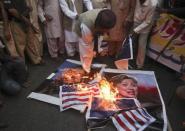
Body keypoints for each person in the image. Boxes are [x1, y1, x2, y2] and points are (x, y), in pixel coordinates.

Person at [1, 0, 43, 65]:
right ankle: (22, 66)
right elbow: (12, 10)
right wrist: (24, 19)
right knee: (20, 46)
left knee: (30, 42)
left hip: (25, 19)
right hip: (17, 22)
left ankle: (37, 60)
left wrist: (27, 9)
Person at [132, 0, 158, 69]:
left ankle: (139, 65)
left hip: (145, 26)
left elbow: (148, 21)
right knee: (131, 41)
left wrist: (135, 30)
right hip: (136, 21)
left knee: (141, 45)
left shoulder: (153, 4)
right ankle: (129, 59)